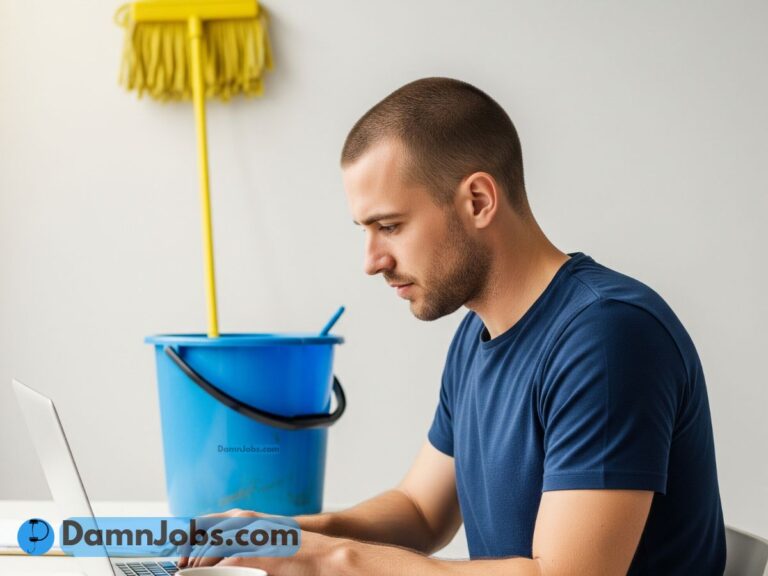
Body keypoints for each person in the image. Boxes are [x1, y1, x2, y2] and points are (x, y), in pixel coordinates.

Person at [179, 77, 726, 575]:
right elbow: (421, 511)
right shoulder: (477, 334)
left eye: (388, 226)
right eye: (364, 229)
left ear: (479, 201)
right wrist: (288, 535)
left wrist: (331, 559)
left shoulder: (608, 337)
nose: (370, 260)